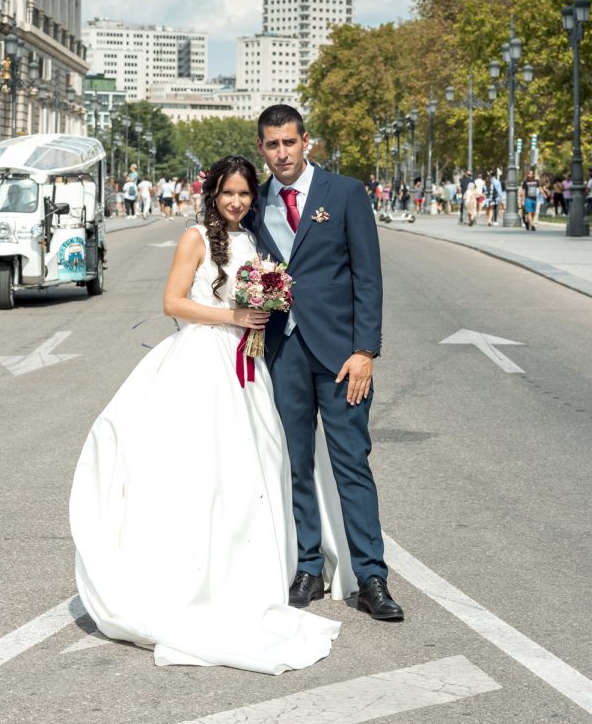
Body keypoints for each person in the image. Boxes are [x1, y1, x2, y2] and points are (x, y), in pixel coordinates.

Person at [70, 156, 347, 673]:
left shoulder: (254, 240)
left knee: (251, 467)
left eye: (244, 193)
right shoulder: (196, 237)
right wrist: (233, 316)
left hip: (246, 363)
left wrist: (261, 313)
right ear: (212, 194)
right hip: (202, 358)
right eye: (228, 194)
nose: (237, 202)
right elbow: (173, 302)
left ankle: (245, 570)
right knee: (201, 469)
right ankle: (193, 573)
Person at [245, 105, 403, 623]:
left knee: (351, 463)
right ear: (262, 148)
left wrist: (366, 351)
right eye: (272, 145)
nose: (282, 153)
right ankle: (308, 566)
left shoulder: (344, 193)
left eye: (289, 142)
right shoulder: (256, 203)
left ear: (305, 141)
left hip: (340, 357)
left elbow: (368, 278)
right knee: (294, 464)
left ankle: (371, 577)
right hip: (282, 353)